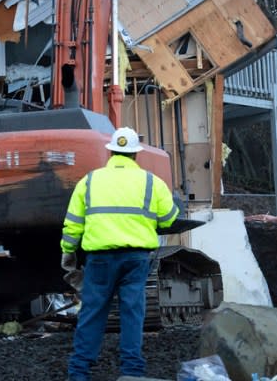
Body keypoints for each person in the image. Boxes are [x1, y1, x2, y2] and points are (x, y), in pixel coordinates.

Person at [60, 126, 180, 381]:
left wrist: (68, 253)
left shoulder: (89, 181)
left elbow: (72, 223)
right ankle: (131, 372)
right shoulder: (151, 182)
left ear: (111, 152)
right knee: (132, 314)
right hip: (136, 260)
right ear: (136, 155)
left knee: (92, 313)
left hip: (100, 260)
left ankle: (79, 373)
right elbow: (170, 219)